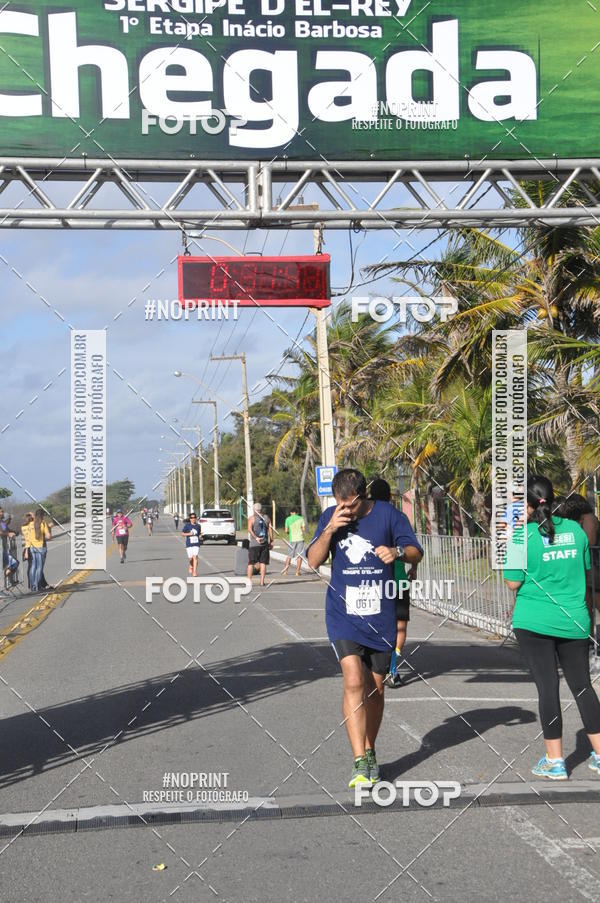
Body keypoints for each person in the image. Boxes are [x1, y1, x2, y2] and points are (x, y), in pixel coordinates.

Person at [307, 468, 423, 788]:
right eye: (339, 503)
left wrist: (397, 551)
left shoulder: (388, 515)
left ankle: (370, 748)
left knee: (376, 689)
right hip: (343, 615)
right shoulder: (331, 517)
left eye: (350, 504)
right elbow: (313, 561)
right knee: (353, 679)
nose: (345, 509)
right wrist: (329, 530)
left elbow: (417, 551)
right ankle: (360, 760)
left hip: (380, 616)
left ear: (362, 496)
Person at [504, 474, 600, 780]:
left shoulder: (522, 537)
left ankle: (555, 761)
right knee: (583, 686)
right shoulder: (576, 531)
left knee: (548, 687)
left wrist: (512, 540)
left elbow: (512, 582)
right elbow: (585, 573)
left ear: (528, 506)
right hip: (574, 619)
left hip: (534, 621)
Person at [369, 478, 418, 689]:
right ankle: (392, 669)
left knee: (376, 626)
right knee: (400, 627)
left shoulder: (366, 519)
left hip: (372, 583)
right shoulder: (398, 518)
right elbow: (412, 549)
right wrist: (414, 568)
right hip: (398, 581)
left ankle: (375, 667)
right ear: (390, 496)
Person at [247, 503, 273, 588]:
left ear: (254, 510)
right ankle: (262, 582)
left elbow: (249, 530)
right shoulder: (267, 518)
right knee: (263, 563)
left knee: (251, 563)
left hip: (254, 544)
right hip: (264, 543)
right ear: (261, 509)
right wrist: (271, 541)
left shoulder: (252, 518)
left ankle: (249, 581)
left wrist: (255, 537)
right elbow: (270, 528)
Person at [26, 509, 52, 593]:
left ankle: (33, 587)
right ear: (42, 515)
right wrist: (49, 529)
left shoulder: (30, 524)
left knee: (33, 567)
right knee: (40, 567)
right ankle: (39, 586)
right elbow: (48, 537)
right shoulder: (43, 523)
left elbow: (28, 538)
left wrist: (27, 549)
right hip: (41, 547)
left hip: (32, 548)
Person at [282, 507, 306, 577]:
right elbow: (303, 529)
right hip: (300, 539)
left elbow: (286, 531)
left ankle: (285, 571)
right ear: (297, 512)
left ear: (291, 512)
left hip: (292, 539)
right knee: (299, 556)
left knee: (289, 556)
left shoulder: (288, 519)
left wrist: (289, 533)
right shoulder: (301, 518)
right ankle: (297, 572)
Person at [182, 512, 201, 577]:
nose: (193, 519)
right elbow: (182, 534)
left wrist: (201, 536)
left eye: (194, 517)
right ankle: (191, 565)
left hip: (196, 544)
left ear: (196, 518)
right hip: (189, 544)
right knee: (190, 558)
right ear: (190, 519)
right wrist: (189, 534)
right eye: (192, 518)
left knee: (195, 557)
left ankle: (195, 572)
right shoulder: (187, 526)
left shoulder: (198, 526)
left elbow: (199, 534)